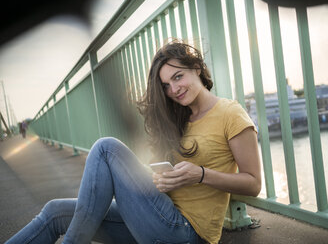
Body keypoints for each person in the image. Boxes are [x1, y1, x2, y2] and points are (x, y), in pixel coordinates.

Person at [6, 40, 261, 244]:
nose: (173, 89)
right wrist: (160, 179)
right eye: (165, 85)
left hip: (186, 233)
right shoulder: (179, 118)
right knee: (54, 213)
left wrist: (201, 174)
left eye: (178, 77)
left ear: (196, 68)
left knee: (107, 149)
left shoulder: (230, 114)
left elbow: (253, 183)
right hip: (156, 216)